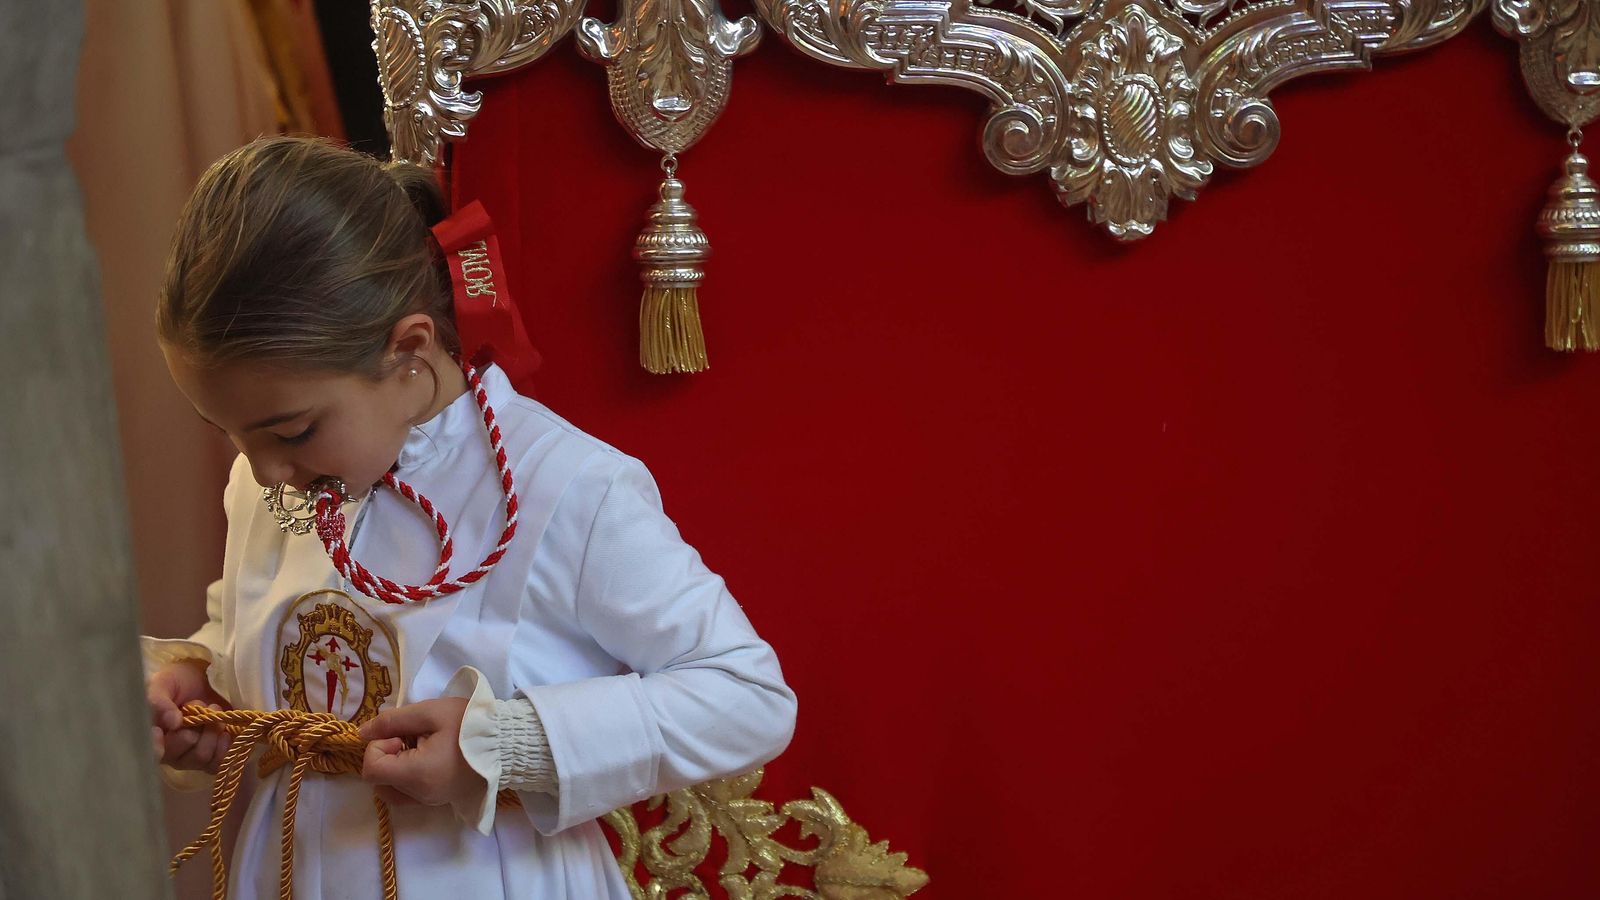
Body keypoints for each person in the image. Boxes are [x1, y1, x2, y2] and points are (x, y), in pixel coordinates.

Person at [142, 136, 797, 898]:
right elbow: (258, 633)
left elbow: (745, 696)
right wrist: (206, 686)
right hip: (288, 868)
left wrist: (505, 745)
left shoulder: (569, 488)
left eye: (290, 432)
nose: (262, 470)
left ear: (409, 349)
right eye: (229, 432)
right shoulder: (274, 481)